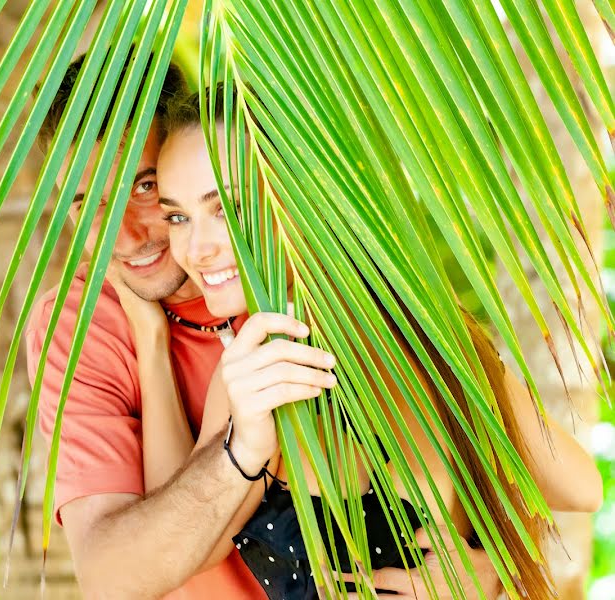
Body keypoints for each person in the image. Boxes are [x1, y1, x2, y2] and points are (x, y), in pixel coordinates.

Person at [27, 53, 508, 598]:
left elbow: (517, 466)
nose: (125, 236)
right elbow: (112, 579)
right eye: (87, 203)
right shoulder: (82, 318)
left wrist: (489, 574)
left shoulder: (306, 284)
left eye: (143, 189)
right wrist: (155, 343)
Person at [128, 87, 603, 599]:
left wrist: (489, 574)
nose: (196, 249)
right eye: (178, 216)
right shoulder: (290, 354)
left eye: (229, 208)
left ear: (303, 195)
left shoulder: (283, 359)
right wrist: (150, 334)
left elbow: (579, 488)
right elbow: (172, 546)